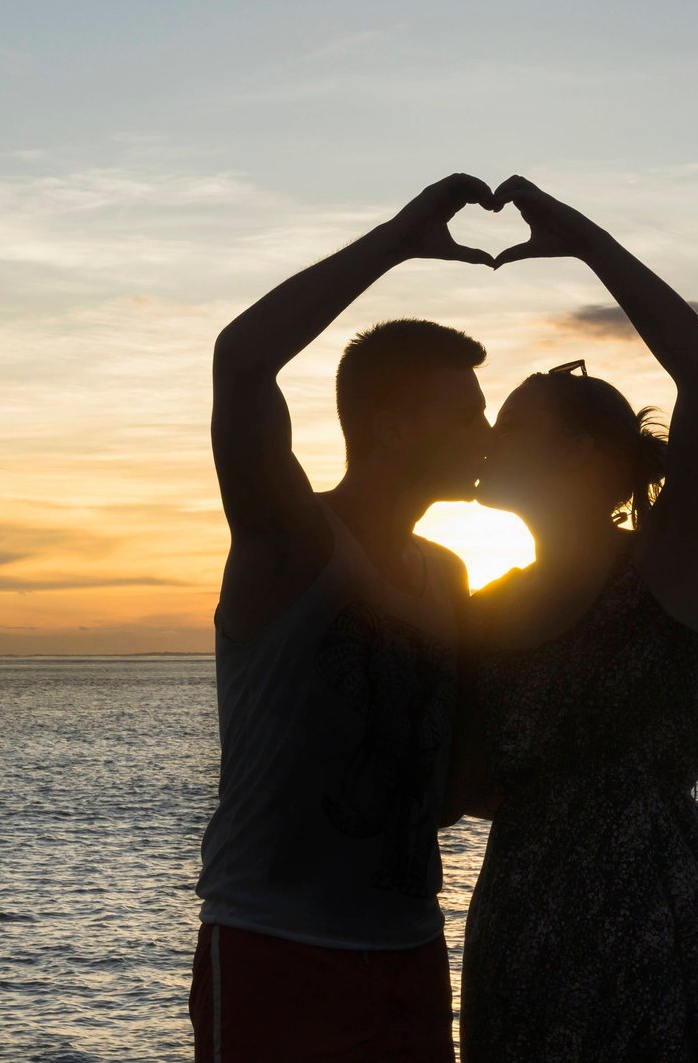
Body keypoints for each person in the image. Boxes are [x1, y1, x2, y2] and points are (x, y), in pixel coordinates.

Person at [191, 174, 502, 1062]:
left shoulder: (447, 576)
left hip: (408, 952)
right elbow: (242, 360)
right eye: (468, 414)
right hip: (274, 951)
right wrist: (396, 240)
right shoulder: (292, 543)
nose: (485, 435)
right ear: (398, 427)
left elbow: (453, 781)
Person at [453, 175, 698, 1060]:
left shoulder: (663, 568)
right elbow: (461, 781)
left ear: (582, 455)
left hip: (652, 912)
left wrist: (586, 241)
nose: (487, 448)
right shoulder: (480, 608)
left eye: (510, 431)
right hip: (524, 915)